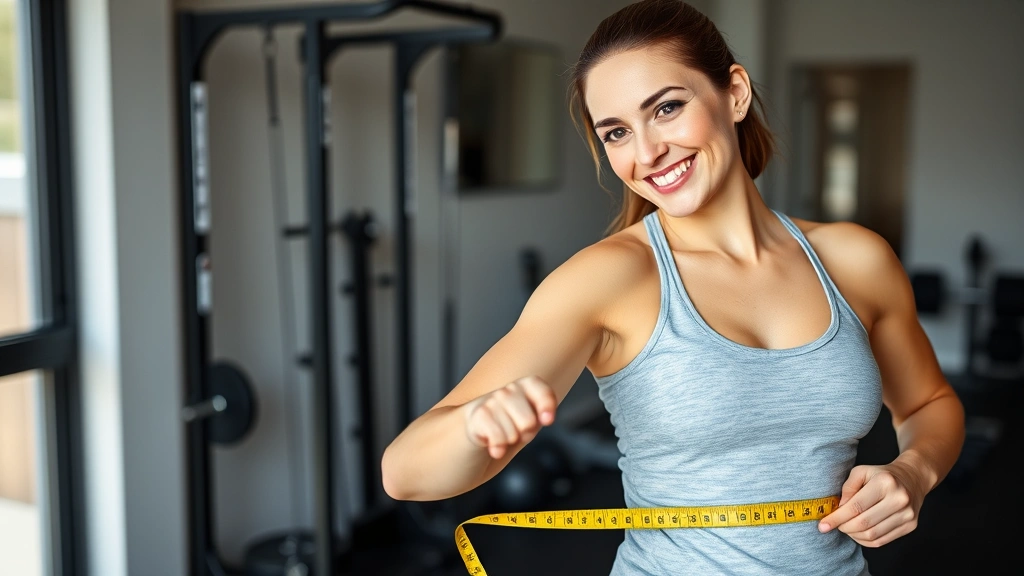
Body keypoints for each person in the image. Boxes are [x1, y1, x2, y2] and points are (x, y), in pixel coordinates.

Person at [381, 0, 965, 574]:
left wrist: (914, 471)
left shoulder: (855, 260)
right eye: (615, 133)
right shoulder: (609, 279)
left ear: (734, 93)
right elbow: (404, 473)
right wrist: (471, 426)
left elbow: (928, 405)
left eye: (665, 108)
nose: (646, 152)